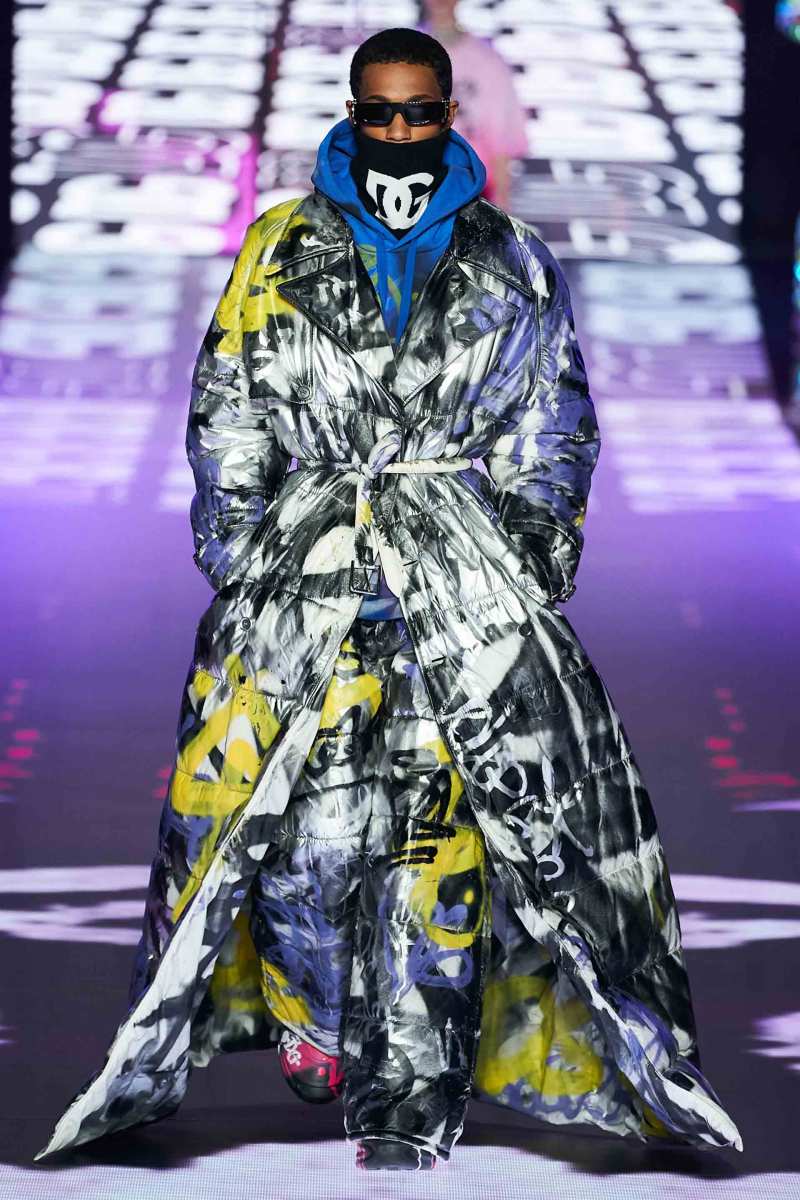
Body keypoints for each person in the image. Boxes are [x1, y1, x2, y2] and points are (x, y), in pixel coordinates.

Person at [34, 27, 743, 1174]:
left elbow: (551, 418)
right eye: (379, 111)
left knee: (437, 845)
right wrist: (238, 544)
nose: (399, 130)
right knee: (301, 837)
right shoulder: (280, 244)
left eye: (418, 111)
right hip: (305, 572)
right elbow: (230, 397)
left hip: (457, 582)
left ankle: (410, 1092)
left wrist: (529, 554)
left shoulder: (509, 257)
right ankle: (311, 1010)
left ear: (448, 113)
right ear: (353, 112)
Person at [418, 0, 529, 208]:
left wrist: (502, 208)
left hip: (471, 195)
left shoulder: (487, 61)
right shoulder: (400, 57)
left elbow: (501, 140)